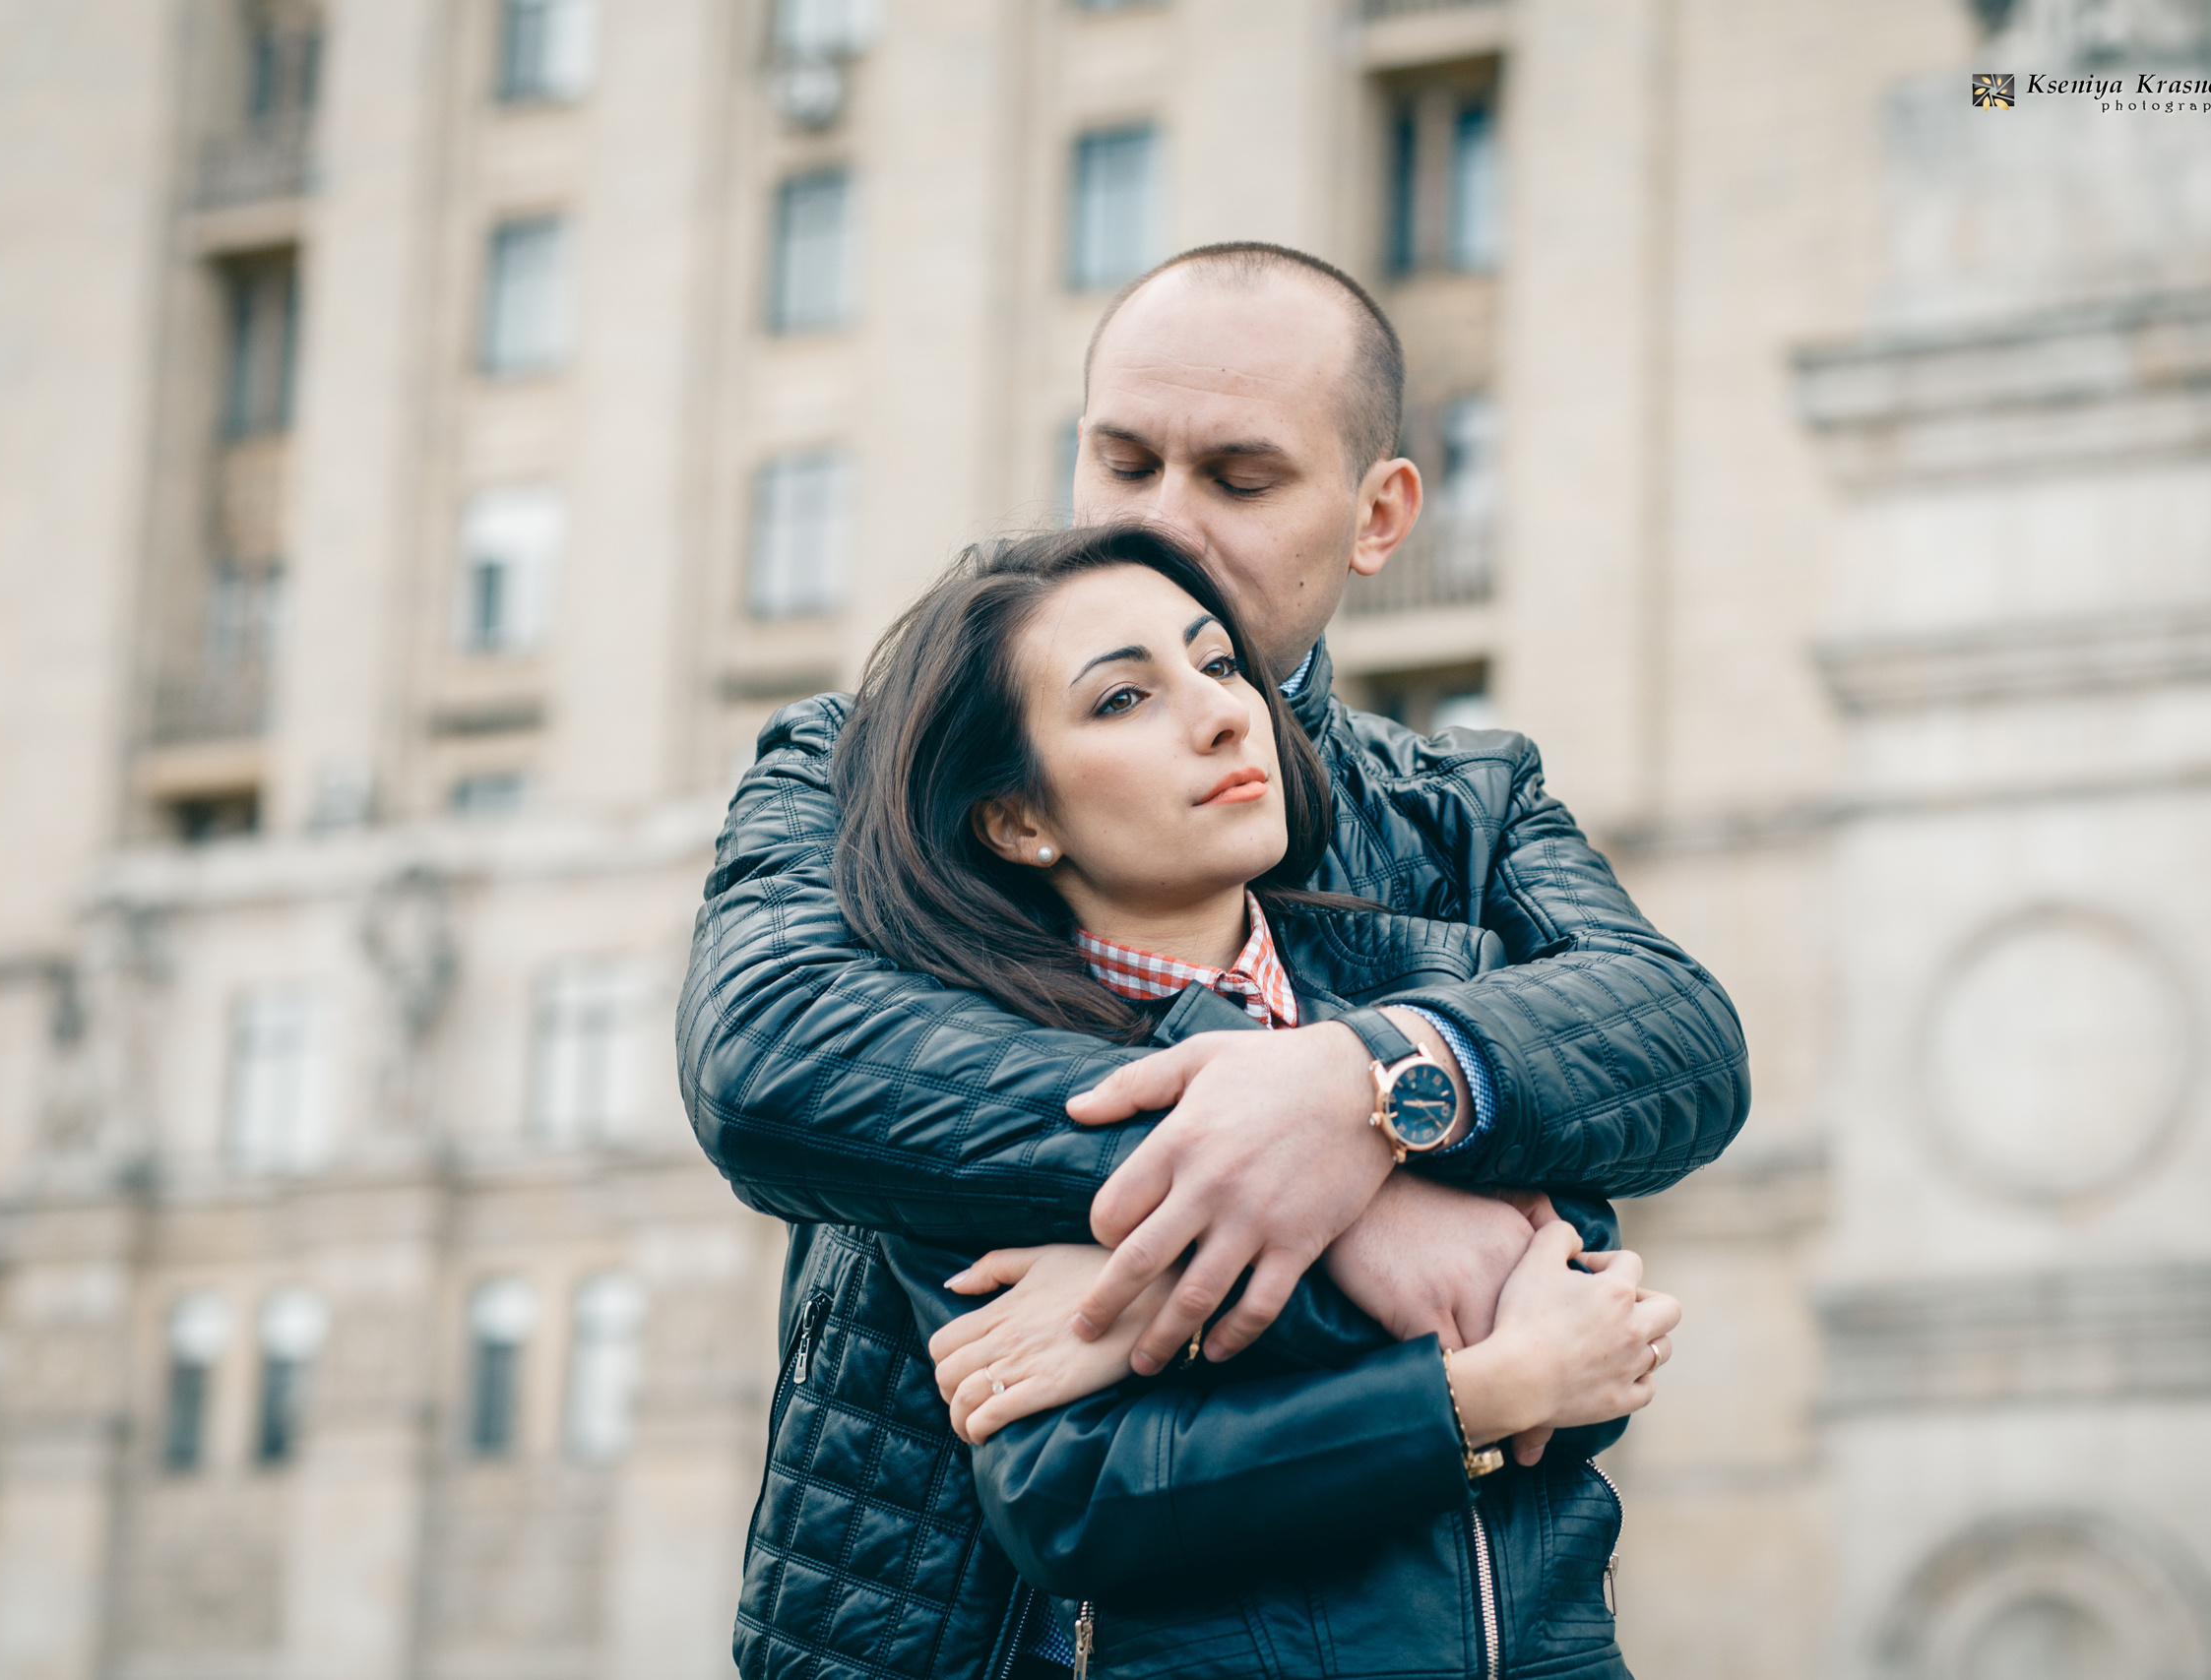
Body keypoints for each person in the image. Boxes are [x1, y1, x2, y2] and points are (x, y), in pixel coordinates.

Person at [680, 241, 1745, 1366]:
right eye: (1124, 463)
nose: (1163, 526)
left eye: (1240, 480)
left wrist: (1367, 1083)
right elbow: (767, 1054)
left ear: (1377, 517)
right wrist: (1337, 1190)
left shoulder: (1467, 802)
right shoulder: (863, 761)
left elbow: (1679, 1039)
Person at [739, 524, 1680, 1678]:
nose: (1223, 714)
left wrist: (1158, 1299)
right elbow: (1075, 1501)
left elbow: (1595, 1355)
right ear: (1018, 819)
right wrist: (1477, 1394)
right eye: (1124, 699)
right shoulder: (997, 1080)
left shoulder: (1432, 984)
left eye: (1217, 663)